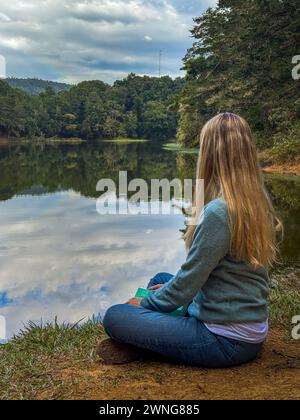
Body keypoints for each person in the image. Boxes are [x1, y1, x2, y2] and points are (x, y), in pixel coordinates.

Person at [98, 113, 282, 368]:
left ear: (210, 155)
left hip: (224, 340)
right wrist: (164, 292)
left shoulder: (219, 212)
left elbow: (189, 281)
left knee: (115, 316)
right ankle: (143, 341)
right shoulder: (254, 202)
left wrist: (145, 302)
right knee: (161, 279)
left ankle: (140, 342)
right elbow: (204, 276)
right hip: (248, 327)